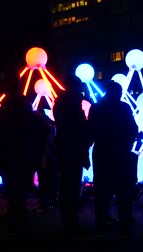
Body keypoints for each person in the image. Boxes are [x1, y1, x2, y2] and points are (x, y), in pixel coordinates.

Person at [0, 71, 44, 236]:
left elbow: (3, 132)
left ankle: (16, 221)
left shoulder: (11, 106)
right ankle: (18, 220)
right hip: (21, 152)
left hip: (13, 153)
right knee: (17, 189)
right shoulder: (22, 103)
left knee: (14, 188)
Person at [88, 80, 138, 237]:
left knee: (102, 188)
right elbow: (132, 128)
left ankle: (101, 219)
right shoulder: (123, 107)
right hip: (121, 151)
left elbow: (91, 130)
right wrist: (129, 141)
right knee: (123, 187)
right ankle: (124, 218)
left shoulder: (97, 107)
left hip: (102, 151)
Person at [53, 74, 92, 237]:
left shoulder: (60, 102)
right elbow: (81, 125)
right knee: (72, 185)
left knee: (65, 185)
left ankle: (67, 220)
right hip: (74, 148)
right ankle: (71, 222)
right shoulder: (74, 103)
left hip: (64, 148)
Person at [35, 108, 58, 213]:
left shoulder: (41, 130)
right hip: (51, 158)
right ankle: (52, 202)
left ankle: (45, 203)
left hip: (45, 158)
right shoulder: (52, 128)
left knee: (44, 181)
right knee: (50, 180)